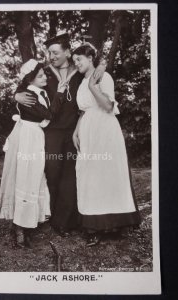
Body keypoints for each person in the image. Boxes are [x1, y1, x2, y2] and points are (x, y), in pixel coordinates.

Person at [15, 34, 106, 237]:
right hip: (51, 132)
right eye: (49, 53)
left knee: (71, 174)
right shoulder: (45, 72)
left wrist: (102, 67)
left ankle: (65, 222)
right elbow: (25, 85)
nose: (51, 56)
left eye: (55, 52)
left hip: (74, 130)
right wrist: (16, 94)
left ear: (67, 51)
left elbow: (96, 68)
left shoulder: (79, 69)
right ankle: (49, 216)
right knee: (52, 172)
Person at [72, 44, 141, 247]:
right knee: (89, 174)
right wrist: (76, 131)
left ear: (91, 57)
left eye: (79, 59)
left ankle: (112, 225)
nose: (76, 63)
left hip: (104, 129)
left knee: (106, 173)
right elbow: (84, 110)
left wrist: (94, 86)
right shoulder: (82, 81)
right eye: (74, 60)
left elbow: (108, 106)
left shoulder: (104, 77)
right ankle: (94, 225)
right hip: (87, 129)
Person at [0, 59, 64, 247]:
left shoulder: (38, 92)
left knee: (35, 176)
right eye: (39, 76)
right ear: (30, 79)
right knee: (25, 175)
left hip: (36, 136)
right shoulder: (29, 95)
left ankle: (27, 222)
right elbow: (48, 114)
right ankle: (19, 229)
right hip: (27, 137)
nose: (44, 78)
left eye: (44, 74)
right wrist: (60, 94)